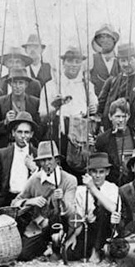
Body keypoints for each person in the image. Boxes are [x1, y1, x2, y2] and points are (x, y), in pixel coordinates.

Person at [11, 141, 77, 261]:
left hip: (62, 225)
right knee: (24, 255)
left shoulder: (69, 180)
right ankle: (46, 247)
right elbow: (15, 202)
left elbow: (70, 211)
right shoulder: (35, 179)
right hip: (40, 226)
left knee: (57, 219)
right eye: (43, 160)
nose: (46, 164)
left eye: (49, 159)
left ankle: (57, 249)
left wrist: (61, 200)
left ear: (56, 159)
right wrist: (30, 201)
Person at [39, 46, 98, 176]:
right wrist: (55, 107)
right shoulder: (51, 85)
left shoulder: (87, 85)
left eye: (77, 61)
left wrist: (93, 108)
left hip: (80, 131)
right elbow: (42, 116)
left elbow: (95, 107)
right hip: (58, 130)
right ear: (63, 62)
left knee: (79, 169)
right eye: (70, 61)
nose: (73, 65)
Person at [67, 153, 120, 262]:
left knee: (102, 209)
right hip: (89, 229)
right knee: (70, 254)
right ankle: (90, 250)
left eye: (101, 172)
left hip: (105, 227)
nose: (97, 175)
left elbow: (112, 208)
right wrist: (74, 236)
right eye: (94, 172)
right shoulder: (81, 191)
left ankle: (96, 251)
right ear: (89, 173)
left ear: (107, 172)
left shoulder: (112, 188)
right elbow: (79, 217)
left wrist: (92, 188)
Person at [95, 98, 135, 186]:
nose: (121, 120)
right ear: (110, 117)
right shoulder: (103, 139)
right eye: (117, 116)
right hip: (114, 185)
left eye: (124, 116)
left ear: (129, 116)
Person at [0, 111, 38, 213]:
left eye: (26, 132)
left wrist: (34, 169)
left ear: (31, 134)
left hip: (28, 202)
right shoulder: (1, 154)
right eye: (19, 132)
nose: (23, 136)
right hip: (6, 200)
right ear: (13, 133)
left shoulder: (37, 155)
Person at [0, 68, 41, 151]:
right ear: (10, 84)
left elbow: (39, 127)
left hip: (28, 146)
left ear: (26, 84)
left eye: (21, 83)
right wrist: (5, 122)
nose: (17, 86)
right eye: (14, 82)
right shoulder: (0, 102)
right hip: (7, 147)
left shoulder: (35, 103)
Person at [97, 43, 135, 130]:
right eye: (123, 60)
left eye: (130, 60)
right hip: (111, 131)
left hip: (133, 131)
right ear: (119, 62)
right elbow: (101, 105)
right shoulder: (111, 81)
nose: (126, 64)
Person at [0, 46, 42, 118]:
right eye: (10, 61)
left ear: (24, 64)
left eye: (18, 61)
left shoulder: (34, 84)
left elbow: (39, 111)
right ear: (5, 64)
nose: (15, 65)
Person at [89, 24, 120, 96]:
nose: (105, 40)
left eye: (108, 37)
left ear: (114, 40)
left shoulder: (120, 61)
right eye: (102, 37)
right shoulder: (92, 59)